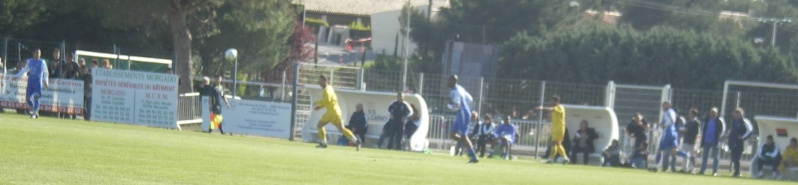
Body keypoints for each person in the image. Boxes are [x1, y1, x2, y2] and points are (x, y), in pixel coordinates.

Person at [313, 75, 361, 150]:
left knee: (319, 125)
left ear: (324, 81)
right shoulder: (330, 88)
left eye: (320, 81)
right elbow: (329, 101)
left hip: (331, 112)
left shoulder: (326, 90)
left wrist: (317, 102)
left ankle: (323, 143)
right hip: (337, 111)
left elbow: (328, 99)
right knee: (341, 129)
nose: (319, 82)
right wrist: (320, 107)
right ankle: (356, 140)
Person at [446, 75, 479, 163]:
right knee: (452, 134)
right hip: (461, 113)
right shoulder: (460, 88)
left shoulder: (455, 91)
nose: (447, 82)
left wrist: (448, 105)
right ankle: (468, 145)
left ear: (453, 81)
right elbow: (470, 99)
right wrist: (464, 105)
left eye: (448, 80)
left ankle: (473, 156)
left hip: (463, 113)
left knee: (464, 135)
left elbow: (456, 107)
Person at [13, 49, 49, 119]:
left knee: (36, 98)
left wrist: (46, 80)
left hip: (37, 82)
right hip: (30, 82)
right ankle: (33, 109)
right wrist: (17, 76)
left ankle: (34, 113)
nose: (38, 54)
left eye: (39, 53)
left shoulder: (42, 62)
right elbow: (24, 70)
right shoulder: (30, 62)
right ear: (33, 54)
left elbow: (45, 72)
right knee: (27, 98)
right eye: (37, 53)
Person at [537, 95, 569, 164]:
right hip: (555, 129)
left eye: (552, 101)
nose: (551, 102)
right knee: (558, 144)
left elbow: (550, 109)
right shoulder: (555, 109)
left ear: (556, 101)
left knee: (553, 143)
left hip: (559, 129)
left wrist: (542, 108)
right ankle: (565, 158)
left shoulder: (560, 107)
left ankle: (551, 159)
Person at [650, 102, 679, 172]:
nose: (663, 107)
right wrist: (662, 125)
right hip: (674, 132)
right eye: (662, 106)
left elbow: (672, 121)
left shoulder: (668, 112)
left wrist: (664, 125)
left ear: (669, 105)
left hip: (668, 132)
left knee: (659, 150)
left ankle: (655, 166)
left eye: (664, 105)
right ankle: (688, 156)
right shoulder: (672, 112)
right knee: (674, 151)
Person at [727, 108, 753, 177]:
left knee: (737, 157)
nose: (734, 115)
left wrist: (742, 137)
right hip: (733, 142)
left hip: (740, 143)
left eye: (736, 114)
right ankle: (736, 171)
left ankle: (737, 172)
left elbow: (750, 130)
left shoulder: (744, 121)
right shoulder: (733, 121)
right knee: (734, 157)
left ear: (740, 114)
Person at [699, 107, 725, 176]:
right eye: (711, 111)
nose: (712, 113)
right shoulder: (705, 120)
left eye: (714, 112)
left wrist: (719, 138)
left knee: (715, 157)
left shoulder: (719, 121)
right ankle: (702, 170)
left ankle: (715, 171)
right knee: (704, 157)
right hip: (706, 140)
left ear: (717, 113)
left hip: (715, 141)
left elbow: (722, 130)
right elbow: (702, 128)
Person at [678, 108, 700, 173]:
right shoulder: (688, 121)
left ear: (693, 114)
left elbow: (696, 132)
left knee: (692, 156)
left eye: (690, 113)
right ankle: (684, 168)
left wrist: (688, 131)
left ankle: (692, 169)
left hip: (692, 141)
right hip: (686, 140)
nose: (689, 115)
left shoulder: (696, 123)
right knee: (684, 155)